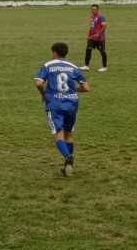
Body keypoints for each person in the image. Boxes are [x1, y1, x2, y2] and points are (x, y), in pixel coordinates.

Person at [34, 42, 91, 177]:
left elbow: (39, 83)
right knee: (68, 134)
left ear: (54, 52)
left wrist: (44, 95)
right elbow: (86, 88)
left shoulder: (48, 65)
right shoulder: (73, 66)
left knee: (59, 134)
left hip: (55, 103)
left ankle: (68, 156)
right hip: (71, 104)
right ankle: (68, 166)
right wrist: (73, 89)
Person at [82, 4, 108, 72]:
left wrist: (98, 34)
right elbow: (92, 27)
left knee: (102, 52)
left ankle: (104, 67)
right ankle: (86, 66)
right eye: (92, 9)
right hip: (92, 38)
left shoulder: (101, 17)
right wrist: (89, 36)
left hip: (100, 39)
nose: (93, 10)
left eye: (94, 9)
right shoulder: (92, 17)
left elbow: (104, 26)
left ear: (97, 9)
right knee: (88, 50)